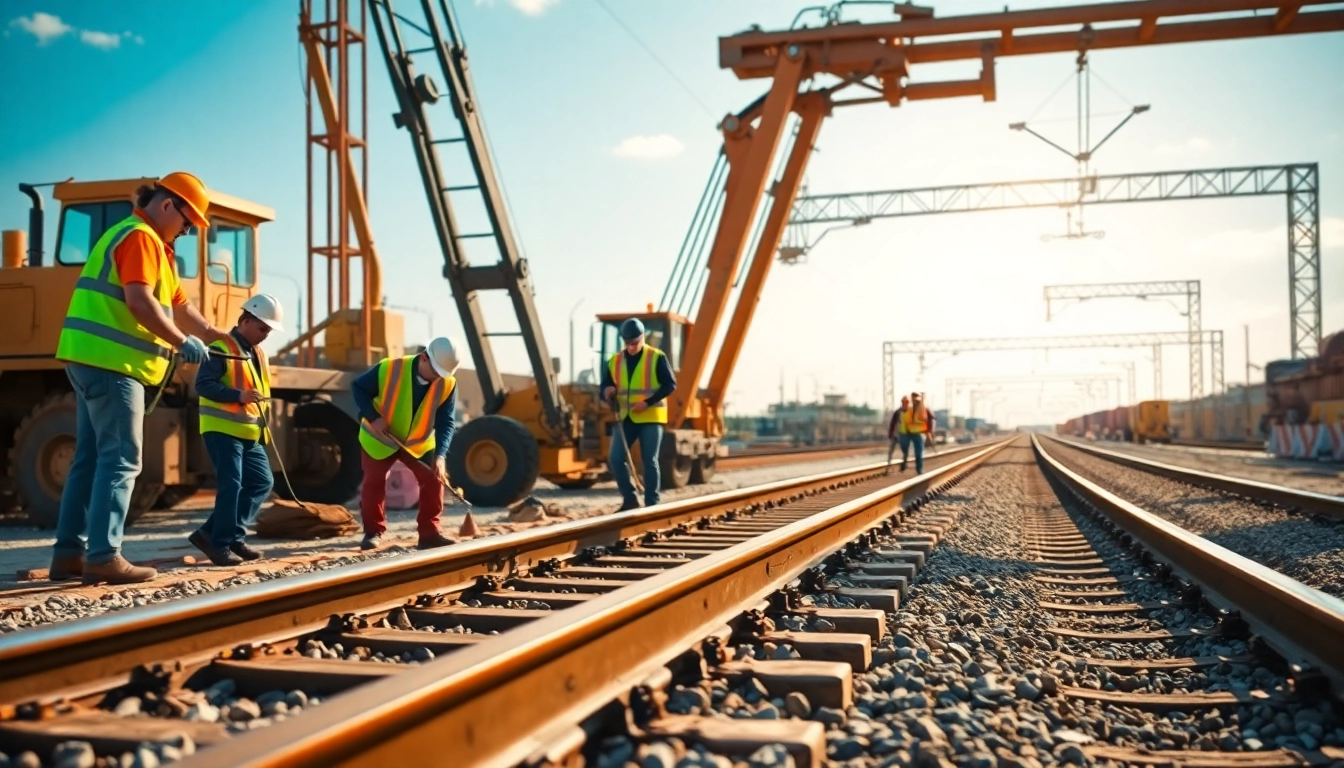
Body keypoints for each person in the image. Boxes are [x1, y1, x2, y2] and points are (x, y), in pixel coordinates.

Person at [51, 172, 225, 585]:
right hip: (114, 367)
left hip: (89, 360)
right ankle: (103, 556)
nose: (186, 231)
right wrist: (183, 343)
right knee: (121, 460)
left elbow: (180, 306)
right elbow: (140, 302)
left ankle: (68, 555)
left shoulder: (151, 245)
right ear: (168, 205)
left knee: (89, 460)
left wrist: (215, 336)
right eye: (186, 223)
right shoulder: (141, 238)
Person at [189, 295, 284, 566]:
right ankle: (219, 544)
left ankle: (223, 536)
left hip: (250, 433)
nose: (266, 335)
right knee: (231, 485)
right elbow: (203, 385)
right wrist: (237, 396)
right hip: (222, 429)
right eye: (263, 328)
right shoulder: (221, 348)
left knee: (261, 482)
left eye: (269, 330)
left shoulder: (258, 353)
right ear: (244, 321)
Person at [352, 337, 460, 551]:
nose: (438, 377)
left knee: (434, 479)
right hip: (380, 437)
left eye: (443, 374)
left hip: (417, 442)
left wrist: (440, 456)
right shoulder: (389, 368)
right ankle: (373, 532)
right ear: (423, 358)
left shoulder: (447, 383)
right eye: (436, 371)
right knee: (374, 481)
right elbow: (358, 388)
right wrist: (374, 417)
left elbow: (446, 422)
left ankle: (430, 534)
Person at [601, 318, 676, 512]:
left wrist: (647, 402)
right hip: (626, 417)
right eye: (627, 343)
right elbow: (605, 385)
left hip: (651, 417)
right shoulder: (614, 361)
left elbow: (670, 385)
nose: (631, 346)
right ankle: (630, 499)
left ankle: (652, 504)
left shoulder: (656, 357)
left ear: (642, 337)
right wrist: (607, 391)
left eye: (634, 342)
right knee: (616, 458)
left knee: (649, 460)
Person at [897, 392, 936, 473]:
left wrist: (929, 431)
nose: (914, 400)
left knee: (918, 452)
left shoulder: (925, 408)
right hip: (908, 432)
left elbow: (931, 419)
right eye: (913, 397)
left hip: (919, 433)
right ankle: (905, 462)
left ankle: (919, 469)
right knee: (905, 448)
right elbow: (904, 417)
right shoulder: (909, 408)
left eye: (916, 398)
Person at [886, 395, 910, 471]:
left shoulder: (910, 413)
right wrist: (891, 433)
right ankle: (888, 465)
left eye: (906, 402)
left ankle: (904, 464)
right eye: (904, 402)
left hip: (905, 435)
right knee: (891, 450)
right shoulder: (897, 413)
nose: (905, 404)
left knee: (905, 450)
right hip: (896, 434)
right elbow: (892, 423)